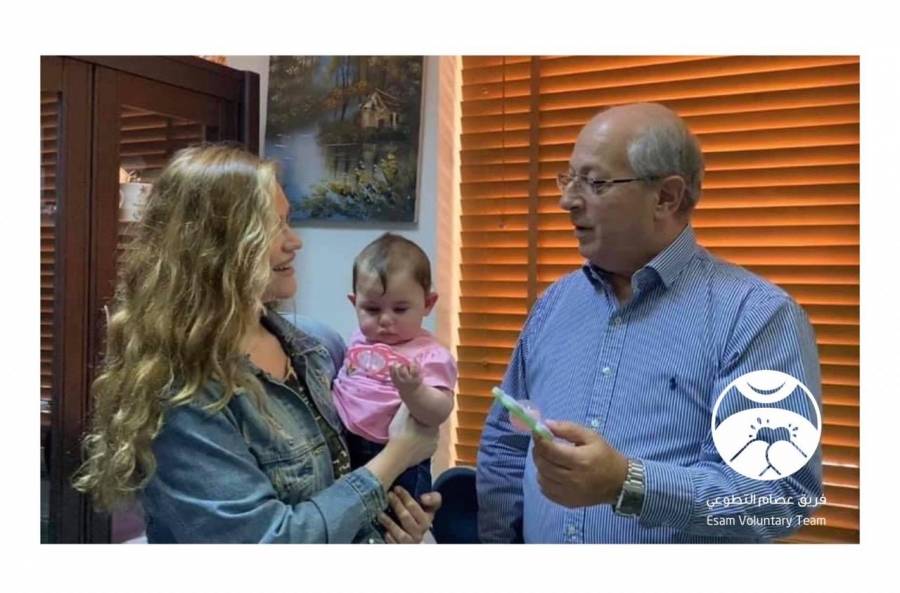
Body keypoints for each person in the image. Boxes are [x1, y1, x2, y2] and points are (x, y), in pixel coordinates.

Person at [476, 103, 823, 543]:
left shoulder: (755, 317)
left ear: (666, 197)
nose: (567, 201)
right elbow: (507, 446)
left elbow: (779, 496)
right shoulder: (554, 305)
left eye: (595, 183)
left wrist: (629, 483)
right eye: (569, 179)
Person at [73, 144, 440, 543]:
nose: (295, 241)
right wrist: (398, 455)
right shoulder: (183, 391)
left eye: (289, 220)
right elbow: (269, 541)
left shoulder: (318, 346)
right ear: (216, 246)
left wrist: (395, 518)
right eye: (274, 225)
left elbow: (346, 485)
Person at [333, 233, 457, 502]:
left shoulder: (430, 355)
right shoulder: (357, 339)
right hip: (343, 443)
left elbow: (440, 411)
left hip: (401, 459)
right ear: (355, 303)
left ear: (428, 304)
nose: (386, 320)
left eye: (400, 309)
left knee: (398, 518)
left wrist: (414, 392)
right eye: (372, 309)